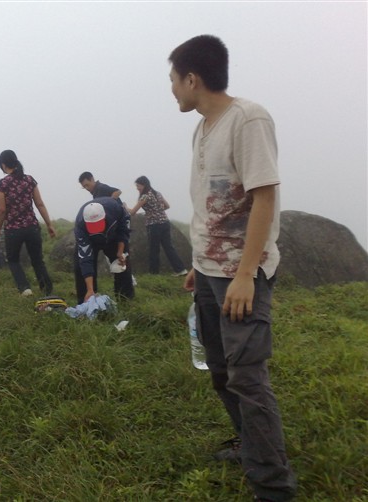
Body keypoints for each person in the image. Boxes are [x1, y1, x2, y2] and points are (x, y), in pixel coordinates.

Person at [169, 35, 297, 501]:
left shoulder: (248, 119)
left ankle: (273, 486)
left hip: (241, 275)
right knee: (221, 371)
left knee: (247, 378)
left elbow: (264, 197)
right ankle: (250, 445)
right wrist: (197, 262)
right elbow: (211, 204)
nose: (172, 89)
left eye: (173, 80)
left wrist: (245, 274)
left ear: (192, 79)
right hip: (208, 272)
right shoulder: (203, 128)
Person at [0, 149, 55, 297]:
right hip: (32, 227)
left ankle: (25, 289)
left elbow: (2, 210)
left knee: (13, 261)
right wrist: (49, 224)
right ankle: (47, 290)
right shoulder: (29, 180)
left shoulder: (2, 184)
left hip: (13, 229)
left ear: (3, 165)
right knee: (37, 260)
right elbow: (40, 204)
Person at [73, 197, 134, 305]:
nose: (96, 229)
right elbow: (85, 257)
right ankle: (87, 300)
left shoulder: (116, 210)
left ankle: (125, 300)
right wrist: (90, 288)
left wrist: (120, 251)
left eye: (98, 224)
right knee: (80, 266)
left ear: (104, 216)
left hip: (113, 236)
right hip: (90, 240)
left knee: (122, 263)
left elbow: (124, 230)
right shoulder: (80, 226)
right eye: (93, 226)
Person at [128, 175, 187, 276]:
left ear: (144, 185)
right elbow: (167, 206)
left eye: (138, 186)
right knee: (169, 247)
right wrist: (157, 211)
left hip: (154, 225)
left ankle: (154, 272)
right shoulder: (157, 193)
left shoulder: (145, 196)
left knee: (154, 249)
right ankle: (181, 270)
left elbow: (133, 212)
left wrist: (125, 206)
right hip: (165, 223)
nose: (137, 188)